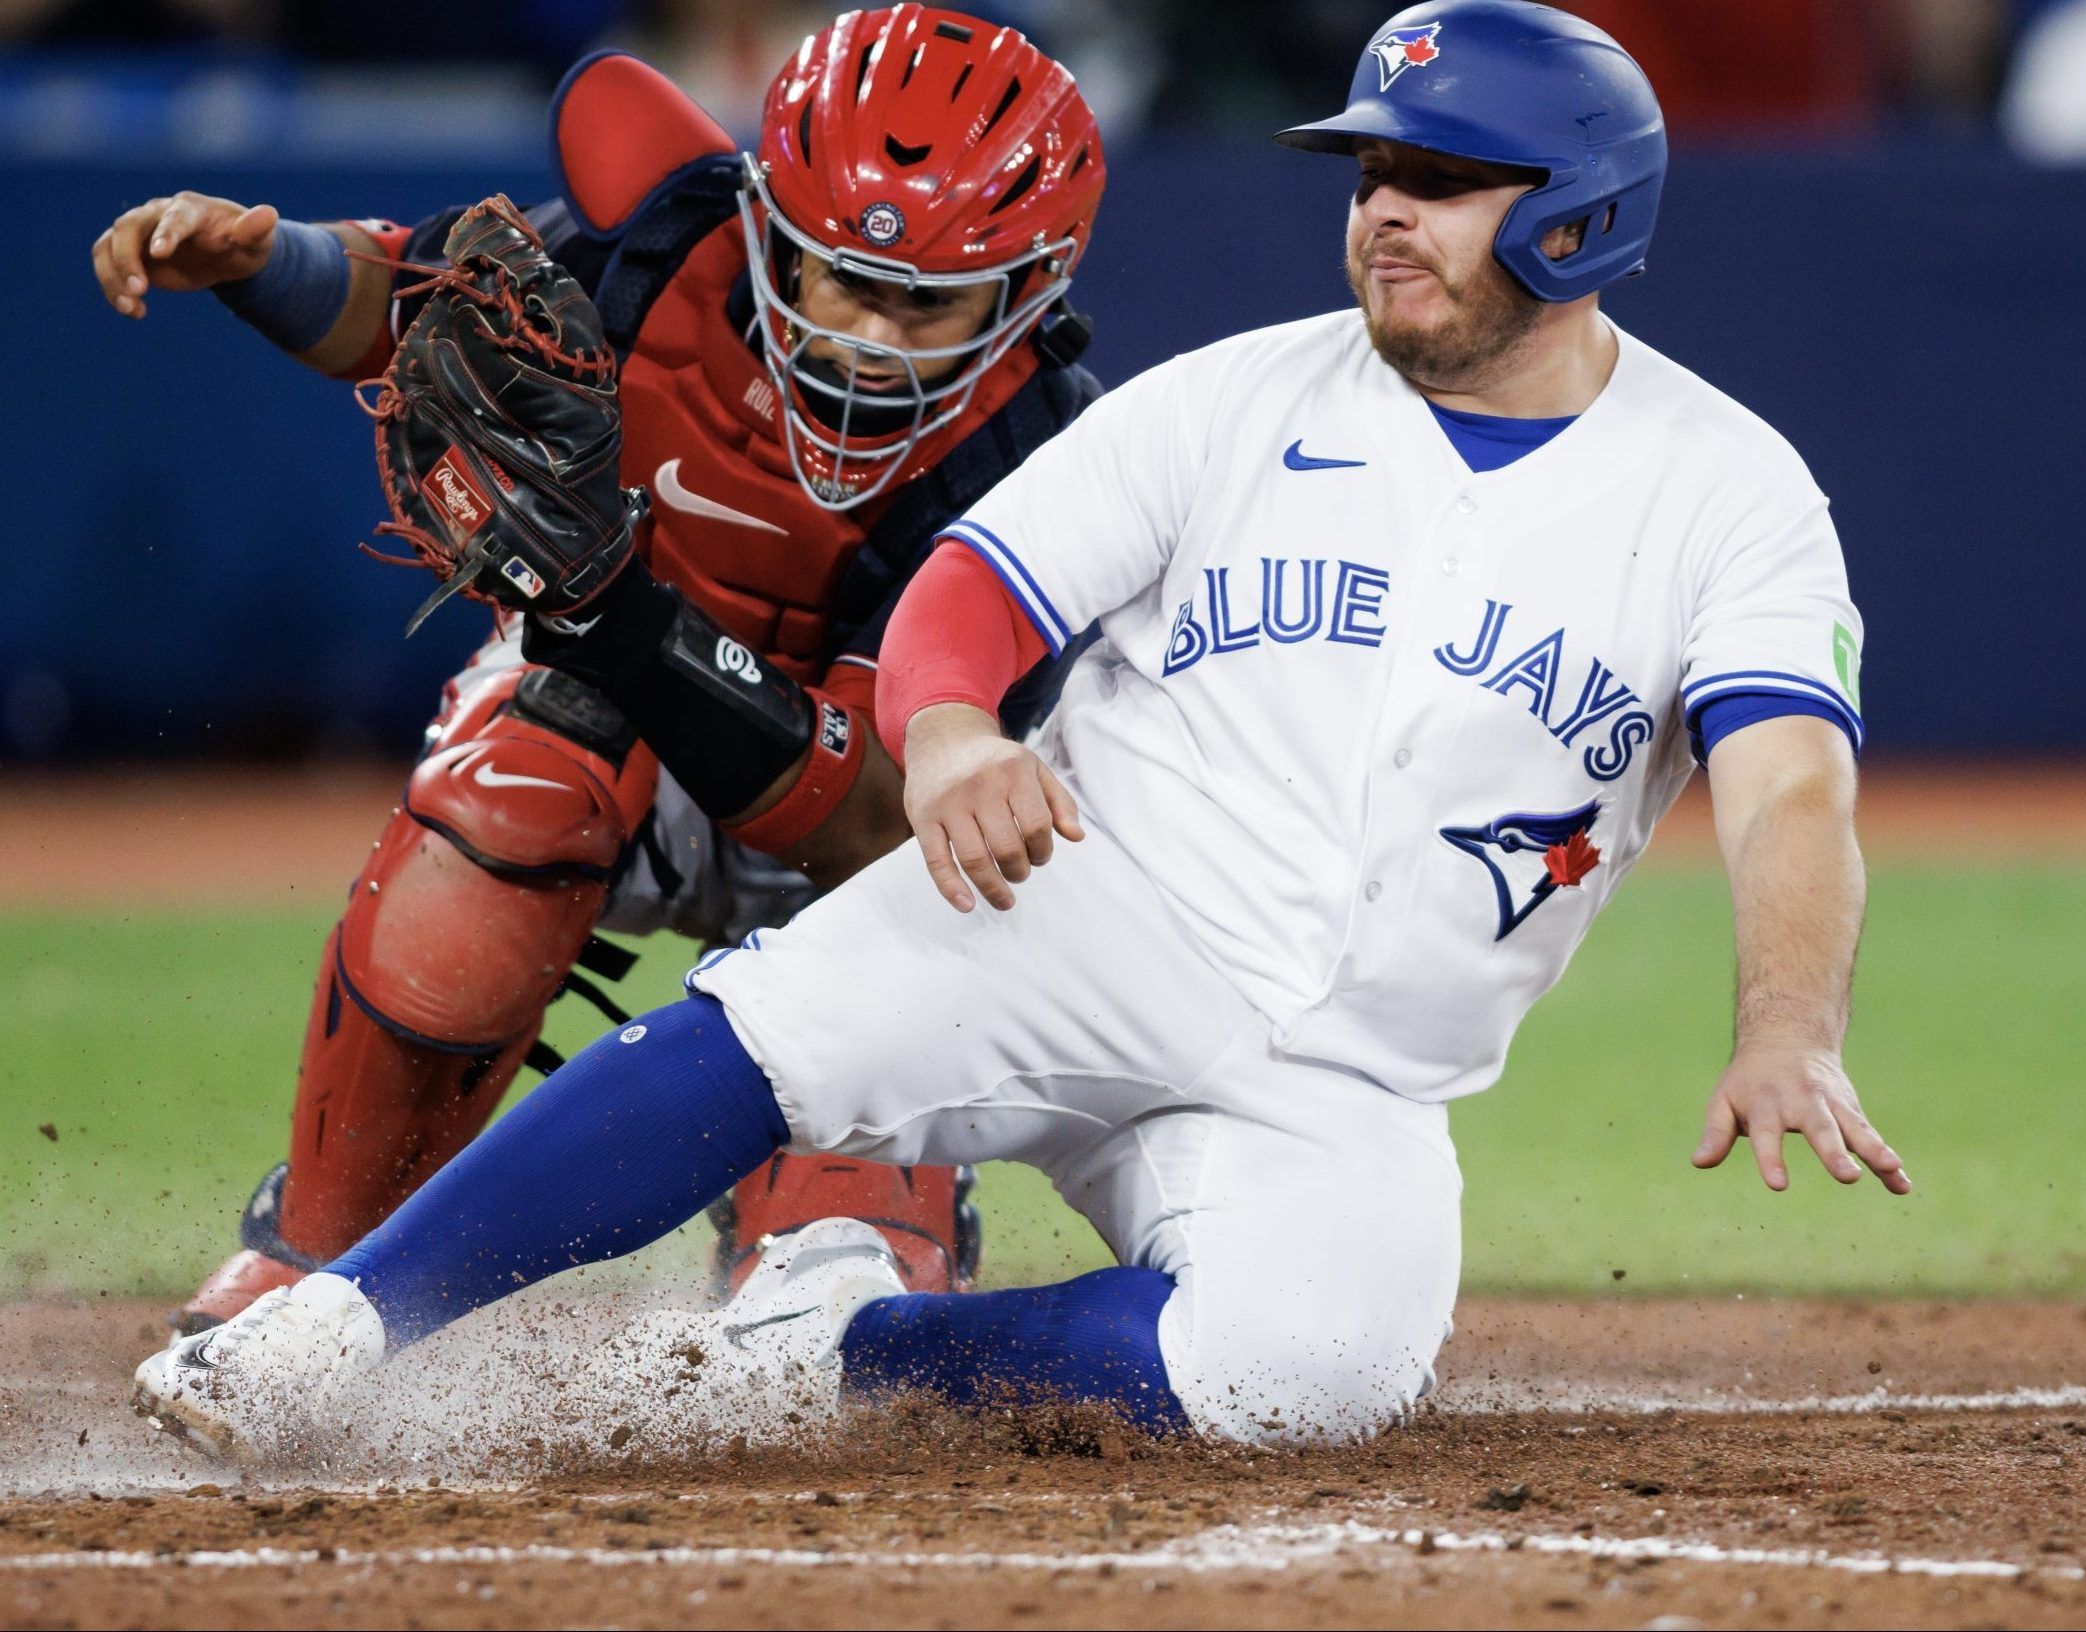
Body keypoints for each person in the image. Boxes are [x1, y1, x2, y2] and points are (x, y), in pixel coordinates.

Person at [134, 0, 1911, 1458]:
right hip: (1090, 916)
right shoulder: (1239, 399)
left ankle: (842, 1359)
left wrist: (1789, 1030)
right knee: (771, 1027)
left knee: (1307, 1376)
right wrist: (963, 736)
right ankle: (322, 1332)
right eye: (1372, 168)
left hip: (1354, 1072)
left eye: (1439, 180)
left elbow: (1789, 790)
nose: (1382, 208)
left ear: (1580, 216)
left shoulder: (1726, 493)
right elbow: (974, 593)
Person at [90, 6, 1106, 1327]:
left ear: (1027, 292)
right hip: (607, 728)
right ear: (762, 227)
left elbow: (870, 826)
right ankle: (323, 1251)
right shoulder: (659, 256)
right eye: (837, 278)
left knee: (845, 1253)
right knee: (513, 786)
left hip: (860, 816)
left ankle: (849, 1227)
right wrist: (258, 259)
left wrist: (619, 613)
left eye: (925, 304)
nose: (866, 334)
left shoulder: (1053, 455)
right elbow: (415, 302)